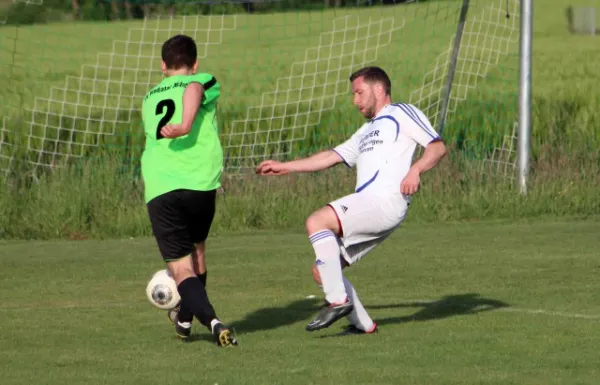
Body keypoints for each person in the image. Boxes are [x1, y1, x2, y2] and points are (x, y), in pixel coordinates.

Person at [256, 66, 447, 334]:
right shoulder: (367, 131)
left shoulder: (400, 113)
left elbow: (437, 147)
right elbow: (330, 156)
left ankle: (337, 301)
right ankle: (364, 326)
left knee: (317, 221)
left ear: (379, 90)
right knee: (323, 270)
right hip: (372, 205)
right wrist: (286, 166)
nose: (355, 100)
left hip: (385, 200)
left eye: (359, 92)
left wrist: (415, 170)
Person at [140, 34, 237, 347]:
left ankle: (212, 321)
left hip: (160, 186)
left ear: (162, 66)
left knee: (181, 268)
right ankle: (184, 319)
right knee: (198, 251)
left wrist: (182, 125)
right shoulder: (202, 79)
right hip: (198, 182)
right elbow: (194, 86)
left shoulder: (149, 97)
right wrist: (187, 123)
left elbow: (189, 89)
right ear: (194, 64)